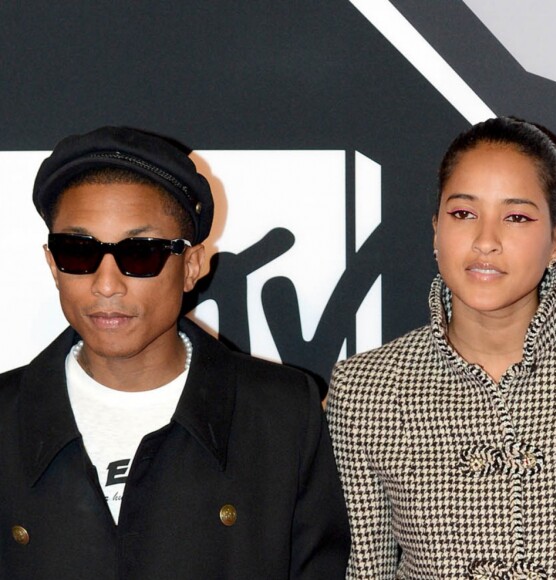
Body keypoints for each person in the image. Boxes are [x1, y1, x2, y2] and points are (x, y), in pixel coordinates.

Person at [0, 126, 350, 579]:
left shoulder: (281, 413)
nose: (107, 284)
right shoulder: (6, 418)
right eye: (78, 251)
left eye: (141, 254)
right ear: (52, 263)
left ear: (191, 266)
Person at [326, 117, 556, 578]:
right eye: (463, 213)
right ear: (436, 229)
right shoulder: (366, 391)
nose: (485, 242)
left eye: (517, 217)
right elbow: (365, 570)